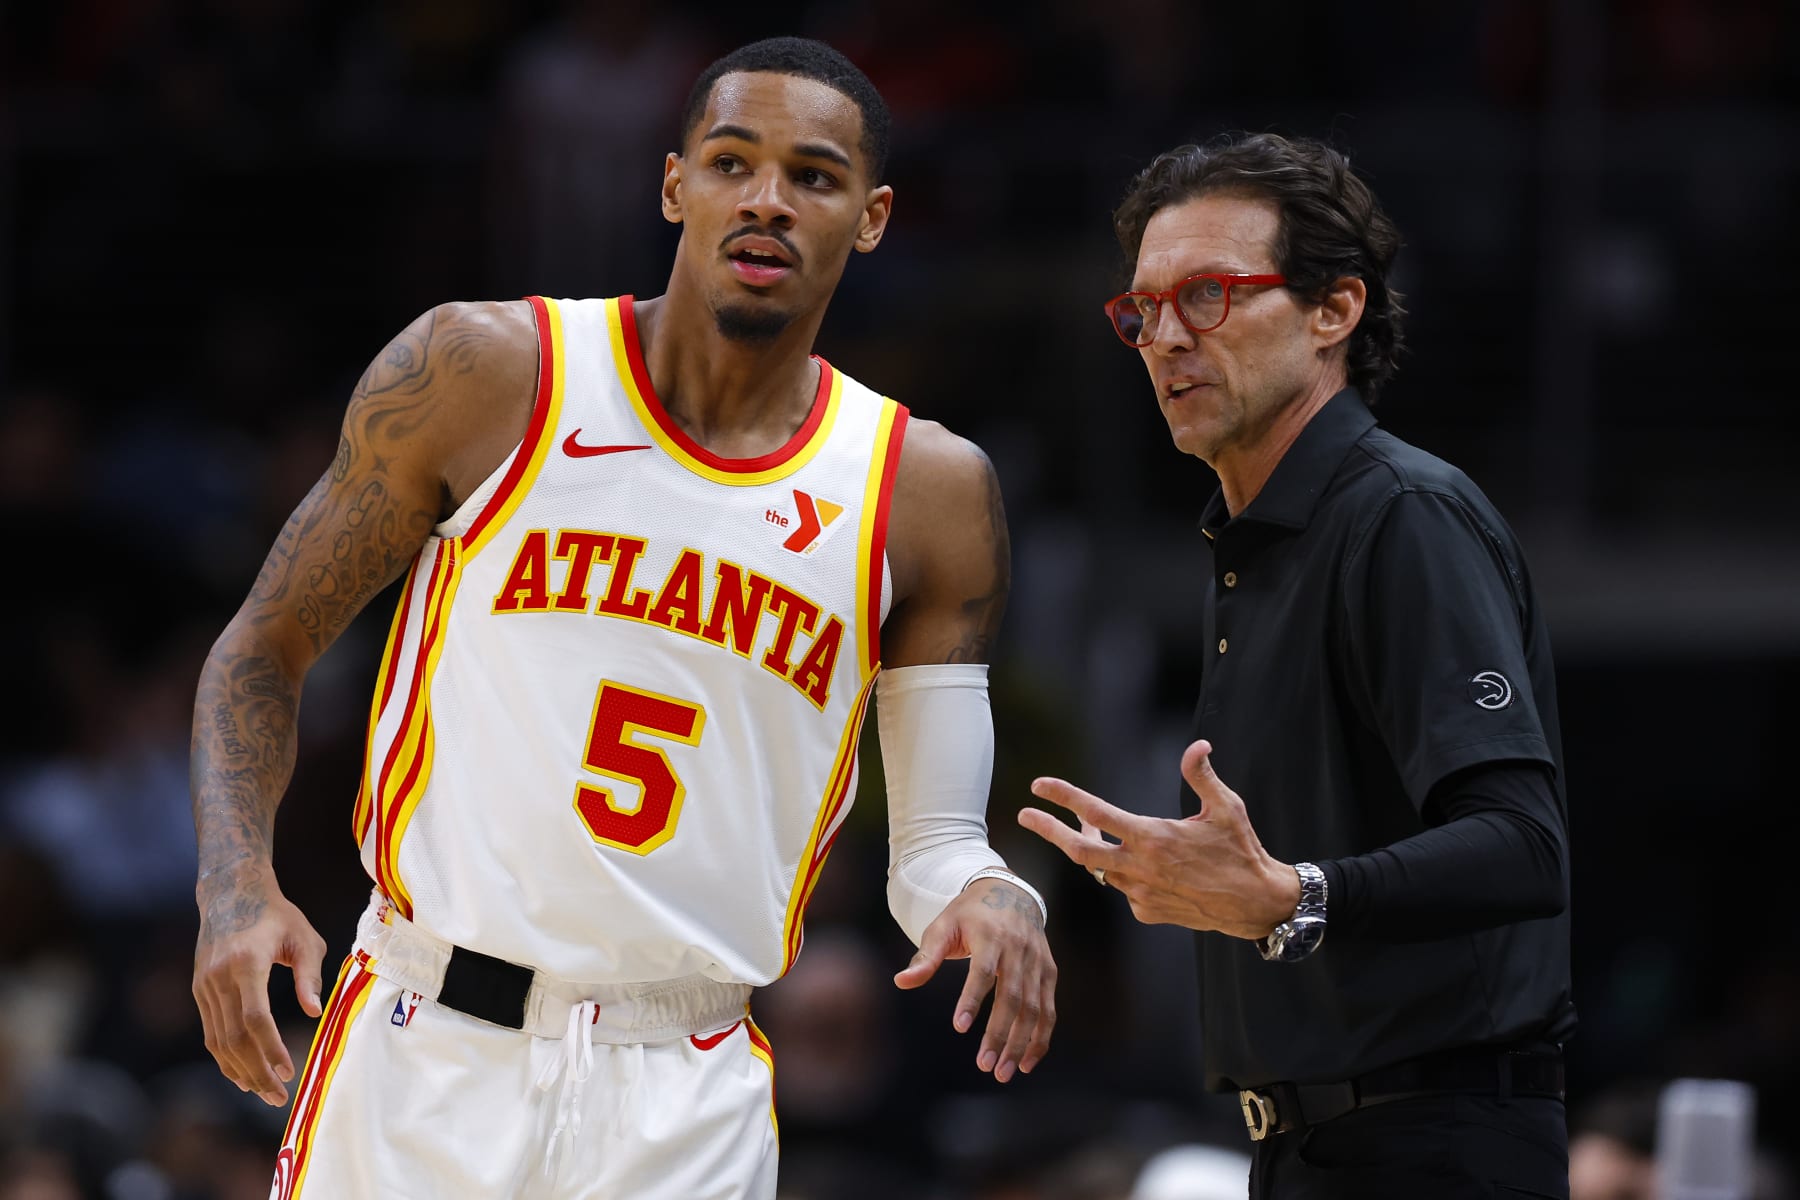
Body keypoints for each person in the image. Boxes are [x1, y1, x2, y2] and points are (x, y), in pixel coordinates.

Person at [188, 37, 1056, 1199]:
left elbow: (935, 849)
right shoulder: (486, 372)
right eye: (732, 162)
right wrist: (236, 889)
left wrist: (993, 891)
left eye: (814, 176)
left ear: (874, 216)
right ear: (671, 185)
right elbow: (262, 646)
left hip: (683, 1089)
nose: (766, 200)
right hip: (427, 1043)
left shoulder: (927, 494)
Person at [1020, 132, 1575, 1197]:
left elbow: (1523, 848)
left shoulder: (1400, 517)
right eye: (1142, 310)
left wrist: (1291, 896)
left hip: (1435, 1147)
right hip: (1309, 1148)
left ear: (1335, 311)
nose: (1164, 338)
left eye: (1211, 296)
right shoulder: (1259, 538)